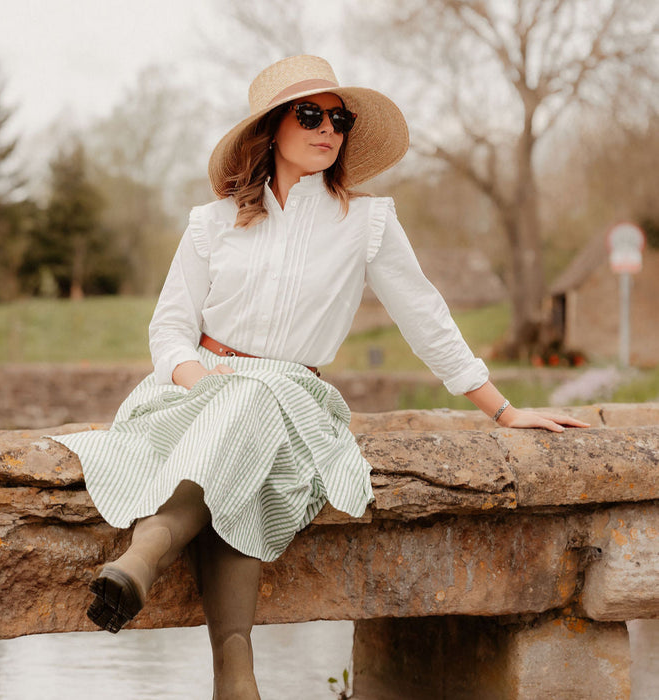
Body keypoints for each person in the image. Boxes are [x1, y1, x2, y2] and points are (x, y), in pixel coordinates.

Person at [49, 55, 588, 699]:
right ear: (271, 128)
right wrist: (204, 383)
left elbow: (427, 320)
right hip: (196, 392)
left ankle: (144, 557)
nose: (328, 128)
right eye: (310, 114)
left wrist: (502, 410)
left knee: (256, 412)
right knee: (243, 446)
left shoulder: (367, 223)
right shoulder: (211, 222)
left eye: (340, 118)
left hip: (294, 399)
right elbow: (168, 330)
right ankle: (237, 681)